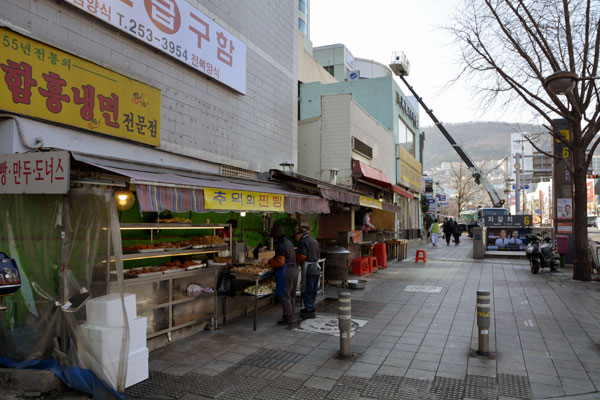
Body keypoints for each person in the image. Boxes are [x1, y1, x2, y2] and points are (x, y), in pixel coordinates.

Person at [263, 224, 298, 325]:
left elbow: (281, 262)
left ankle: (288, 317)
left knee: (285, 295)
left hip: (287, 272)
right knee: (291, 295)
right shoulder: (288, 242)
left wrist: (268, 262)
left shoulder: (281, 245)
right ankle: (291, 312)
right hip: (294, 270)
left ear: (275, 237)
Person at [294, 225, 320, 320]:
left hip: (308, 268)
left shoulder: (303, 242)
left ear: (300, 234)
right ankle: (310, 308)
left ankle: (309, 311)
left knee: (307, 289)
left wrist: (295, 260)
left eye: (295, 235)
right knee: (313, 289)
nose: (295, 237)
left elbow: (303, 256)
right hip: (316, 268)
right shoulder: (314, 241)